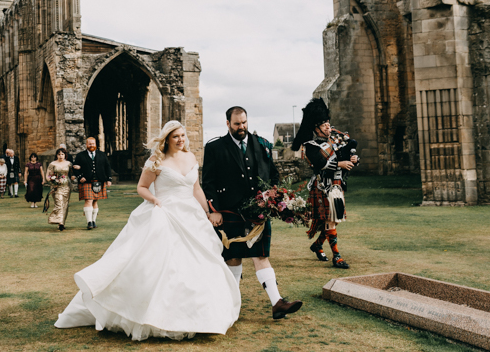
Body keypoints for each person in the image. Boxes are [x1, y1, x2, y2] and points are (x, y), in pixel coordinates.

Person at [55, 121, 240, 340]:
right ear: (167, 140)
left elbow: (195, 188)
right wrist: (155, 200)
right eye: (176, 137)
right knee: (158, 264)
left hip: (191, 215)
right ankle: (150, 313)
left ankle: (199, 313)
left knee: (197, 262)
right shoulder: (156, 161)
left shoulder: (190, 157)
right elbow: (141, 187)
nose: (181, 140)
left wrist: (208, 211)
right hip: (165, 212)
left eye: (182, 135)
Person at [202, 106, 302, 320]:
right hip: (229, 212)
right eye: (237, 123)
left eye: (244, 122)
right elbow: (208, 182)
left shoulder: (262, 145)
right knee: (233, 258)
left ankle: (277, 303)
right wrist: (214, 210)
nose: (242, 127)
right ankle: (231, 306)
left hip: (258, 213)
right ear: (227, 123)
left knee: (261, 255)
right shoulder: (215, 147)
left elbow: (273, 175)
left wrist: (273, 198)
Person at [291, 98, 358, 269]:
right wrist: (341, 164)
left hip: (337, 184)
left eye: (328, 122)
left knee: (333, 220)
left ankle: (317, 245)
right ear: (315, 127)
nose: (328, 126)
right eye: (323, 124)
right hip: (322, 186)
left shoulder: (336, 137)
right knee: (330, 220)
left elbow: (346, 154)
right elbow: (319, 164)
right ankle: (337, 256)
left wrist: (353, 159)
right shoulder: (310, 145)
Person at [72, 137, 111, 229]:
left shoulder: (102, 154)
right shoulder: (80, 155)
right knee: (89, 200)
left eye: (93, 143)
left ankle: (94, 221)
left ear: (95, 144)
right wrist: (80, 177)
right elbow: (74, 168)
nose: (91, 145)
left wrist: (109, 179)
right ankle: (89, 222)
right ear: (86, 145)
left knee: (95, 201)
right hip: (86, 182)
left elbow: (107, 167)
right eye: (89, 144)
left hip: (99, 180)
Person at [46, 149, 72, 230]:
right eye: (59, 154)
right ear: (56, 155)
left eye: (62, 154)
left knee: (65, 204)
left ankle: (62, 223)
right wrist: (53, 181)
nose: (61, 156)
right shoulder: (52, 164)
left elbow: (73, 174)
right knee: (59, 203)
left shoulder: (69, 164)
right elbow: (48, 176)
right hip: (56, 187)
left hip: (67, 186)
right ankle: (56, 220)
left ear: (65, 155)